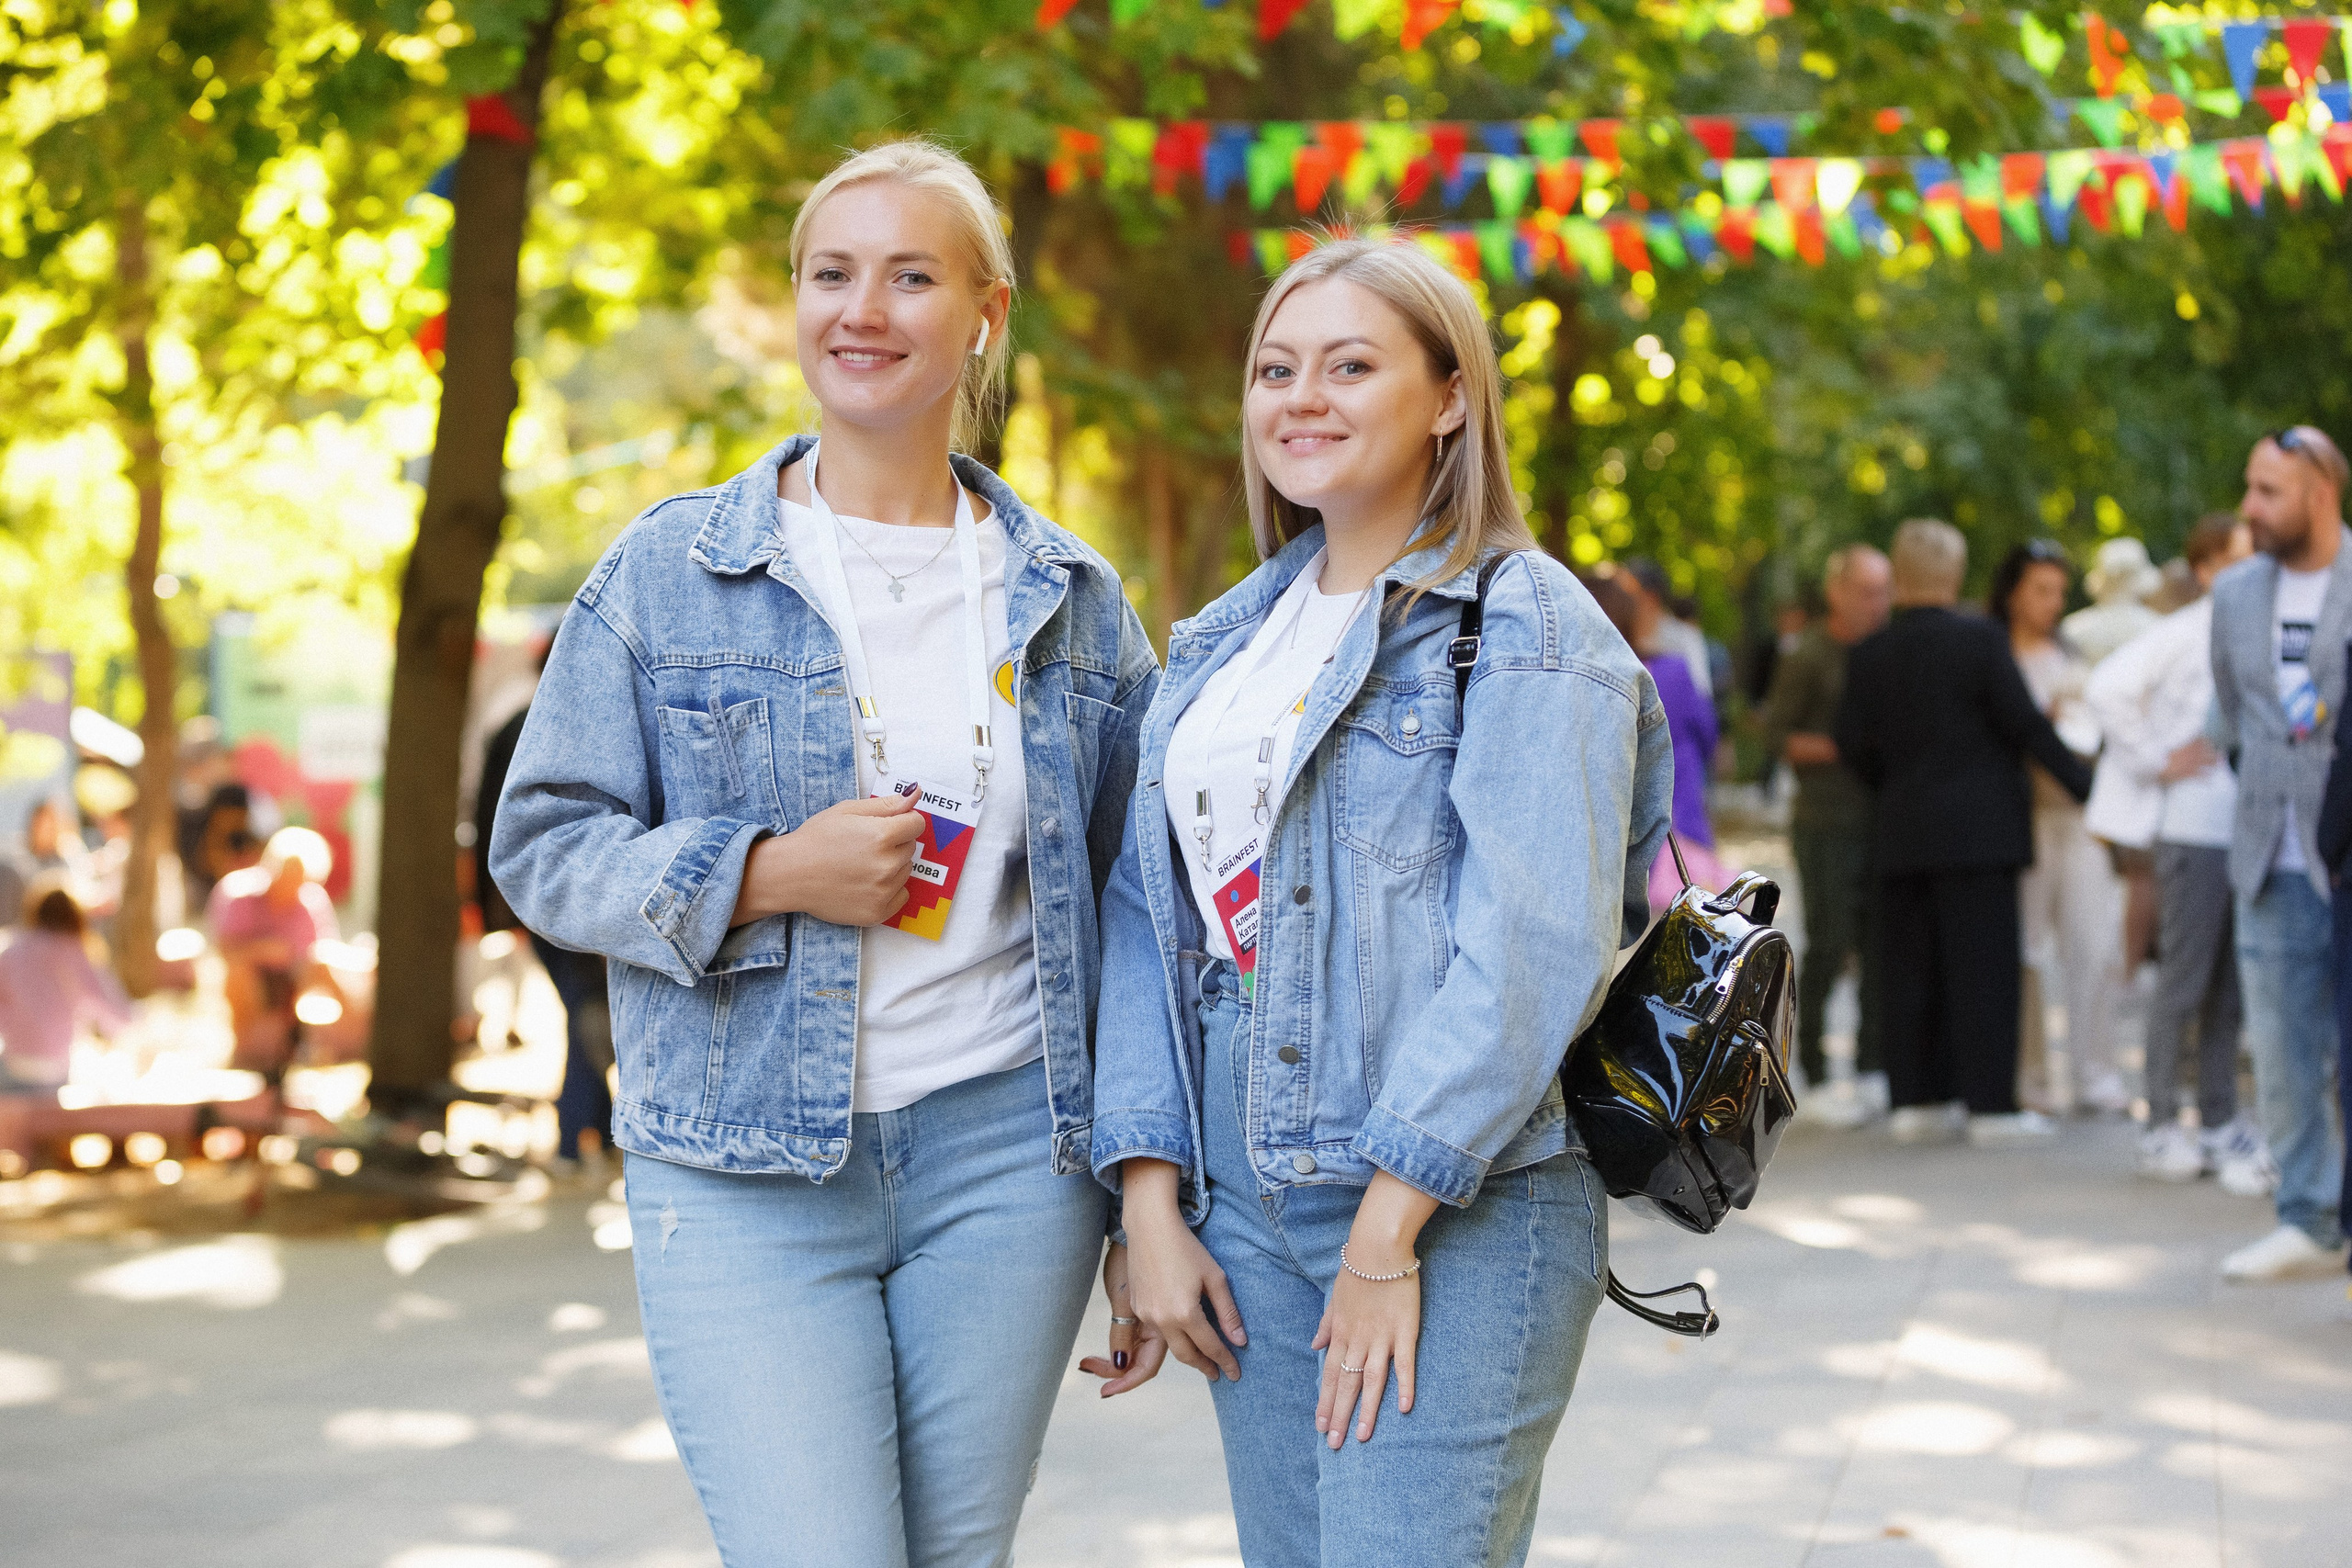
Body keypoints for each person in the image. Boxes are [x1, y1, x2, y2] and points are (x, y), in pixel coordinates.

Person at [488, 141, 1159, 1568]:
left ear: (984, 313)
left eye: (912, 274)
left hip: (1007, 1164)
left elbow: (1136, 916)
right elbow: (541, 845)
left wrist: (1147, 1194)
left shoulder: (1074, 600)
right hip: (740, 1170)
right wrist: (764, 872)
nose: (863, 308)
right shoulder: (667, 570)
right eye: (831, 272)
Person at [1093, 238, 1671, 1568]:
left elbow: (1535, 947)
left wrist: (1383, 1231)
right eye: (1276, 368)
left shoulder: (1524, 621)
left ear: (1452, 396)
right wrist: (1148, 1206)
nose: (1304, 395)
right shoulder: (1221, 640)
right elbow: (1145, 920)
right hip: (1238, 1198)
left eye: (1353, 365)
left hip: (1454, 1202)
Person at [1834, 519, 2093, 1145]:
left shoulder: (1871, 653)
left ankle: (1918, 1099)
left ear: (1899, 575)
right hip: (1981, 835)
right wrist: (2092, 792)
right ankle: (1990, 1107)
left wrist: (1893, 788)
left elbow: (1851, 743)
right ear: (1954, 574)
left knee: (1908, 969)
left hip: (1902, 831)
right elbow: (2026, 726)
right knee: (1984, 970)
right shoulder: (1980, 642)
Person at [2209, 425, 2351, 1282]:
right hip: (2268, 852)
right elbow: (2233, 713)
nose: (2250, 508)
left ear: (2320, 492)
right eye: (2250, 487)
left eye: (2269, 492)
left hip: (2348, 847)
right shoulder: (2234, 593)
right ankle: (2308, 1215)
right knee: (2283, 1044)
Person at [2085, 515, 2260, 1181]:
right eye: (2241, 558)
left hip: (2243, 827)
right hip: (2192, 828)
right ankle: (2160, 1123)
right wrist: (2158, 758)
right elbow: (2107, 689)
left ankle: (2218, 1120)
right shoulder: (2184, 632)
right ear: (2209, 566)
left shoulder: (2251, 627)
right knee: (2185, 980)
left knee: (2228, 986)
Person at [1993, 540, 2129, 1116]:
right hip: (2021, 818)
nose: (2052, 602)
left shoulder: (2071, 652)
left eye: (2058, 591)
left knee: (2095, 945)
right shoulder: (1994, 653)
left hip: (2077, 816)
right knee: (2026, 951)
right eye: (2039, 590)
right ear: (2012, 592)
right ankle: (2031, 1078)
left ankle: (2096, 1072)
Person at [1759, 545, 1893, 1121]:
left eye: (1885, 591)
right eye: (1867, 590)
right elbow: (1777, 737)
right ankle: (1807, 1067)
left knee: (1878, 947)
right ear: (1837, 592)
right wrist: (1846, 748)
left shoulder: (1889, 651)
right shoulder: (1810, 654)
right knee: (1830, 942)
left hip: (1881, 822)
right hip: (1824, 822)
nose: (1878, 604)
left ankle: (1871, 1067)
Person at [476, 679, 613, 1173]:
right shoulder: (567, 720)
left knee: (588, 1010)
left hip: (530, 892)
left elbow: (487, 820)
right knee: (588, 1010)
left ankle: (595, 1134)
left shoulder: (518, 722)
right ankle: (575, 1139)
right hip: (570, 892)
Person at [1588, 570, 1722, 905]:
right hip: (1677, 809)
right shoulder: (1672, 669)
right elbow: (1706, 729)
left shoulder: (1587, 681)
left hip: (1606, 826)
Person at [2069, 536, 2167, 978]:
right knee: (2136, 872)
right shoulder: (2155, 629)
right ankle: (2123, 969)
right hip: (2120, 762)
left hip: (2095, 762)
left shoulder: (2076, 630)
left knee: (2110, 870)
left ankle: (2111, 967)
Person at [207, 827, 339, 1080]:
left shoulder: (310, 901)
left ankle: (310, 1044)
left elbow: (321, 951)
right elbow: (224, 950)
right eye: (287, 874)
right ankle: (249, 1049)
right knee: (238, 973)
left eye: (301, 878)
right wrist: (263, 950)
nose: (293, 884)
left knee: (321, 971)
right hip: (252, 980)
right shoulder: (240, 894)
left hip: (293, 981)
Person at [0, 886, 132, 1091]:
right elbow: (116, 1014)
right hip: (54, 1068)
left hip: (13, 1065)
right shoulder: (74, 953)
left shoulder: (11, 950)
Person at [1622, 556, 1713, 701]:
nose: (1619, 600)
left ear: (1650, 597)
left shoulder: (1685, 638)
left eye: (1626, 593)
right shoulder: (1620, 634)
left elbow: (1701, 696)